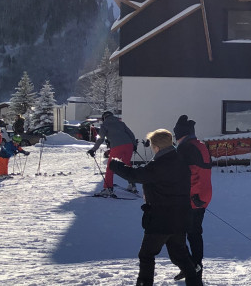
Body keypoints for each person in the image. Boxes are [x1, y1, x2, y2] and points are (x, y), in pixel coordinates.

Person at [109, 129, 203, 286]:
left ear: (156, 147)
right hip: (180, 217)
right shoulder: (180, 161)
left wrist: (114, 163)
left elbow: (134, 175)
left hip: (162, 219)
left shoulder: (159, 165)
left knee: (146, 255)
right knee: (180, 255)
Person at [171, 116, 214, 281]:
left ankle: (191, 267)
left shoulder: (185, 148)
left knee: (179, 233)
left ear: (181, 134)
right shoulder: (200, 145)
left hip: (192, 197)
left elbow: (186, 175)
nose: (177, 139)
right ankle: (193, 266)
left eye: (177, 136)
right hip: (204, 195)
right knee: (194, 232)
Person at [87, 111, 137, 197]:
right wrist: (134, 145)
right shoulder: (121, 123)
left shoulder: (104, 125)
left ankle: (108, 188)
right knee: (127, 164)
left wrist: (93, 149)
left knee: (111, 167)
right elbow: (131, 134)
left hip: (117, 147)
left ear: (104, 118)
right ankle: (132, 185)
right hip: (129, 145)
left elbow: (100, 139)